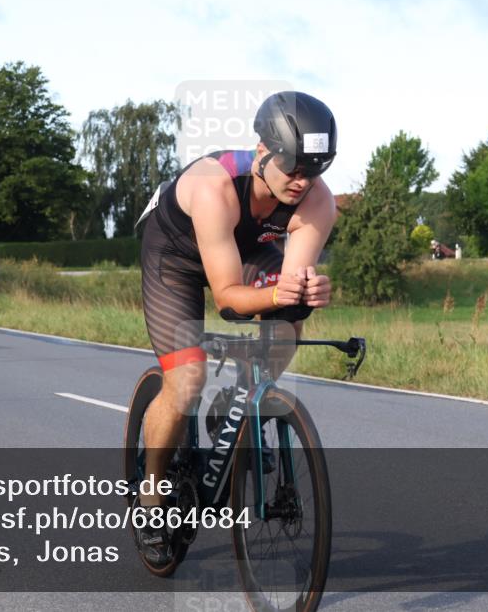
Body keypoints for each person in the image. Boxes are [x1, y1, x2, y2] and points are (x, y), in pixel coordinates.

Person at [135, 91, 339, 566]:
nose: (301, 182)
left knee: (289, 315)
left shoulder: (318, 201)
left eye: (314, 171)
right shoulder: (215, 187)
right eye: (293, 169)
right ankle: (150, 499)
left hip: (243, 249)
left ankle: (243, 399)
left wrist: (303, 293)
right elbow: (228, 298)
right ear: (263, 152)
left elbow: (287, 287)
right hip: (175, 257)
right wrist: (274, 295)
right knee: (186, 380)